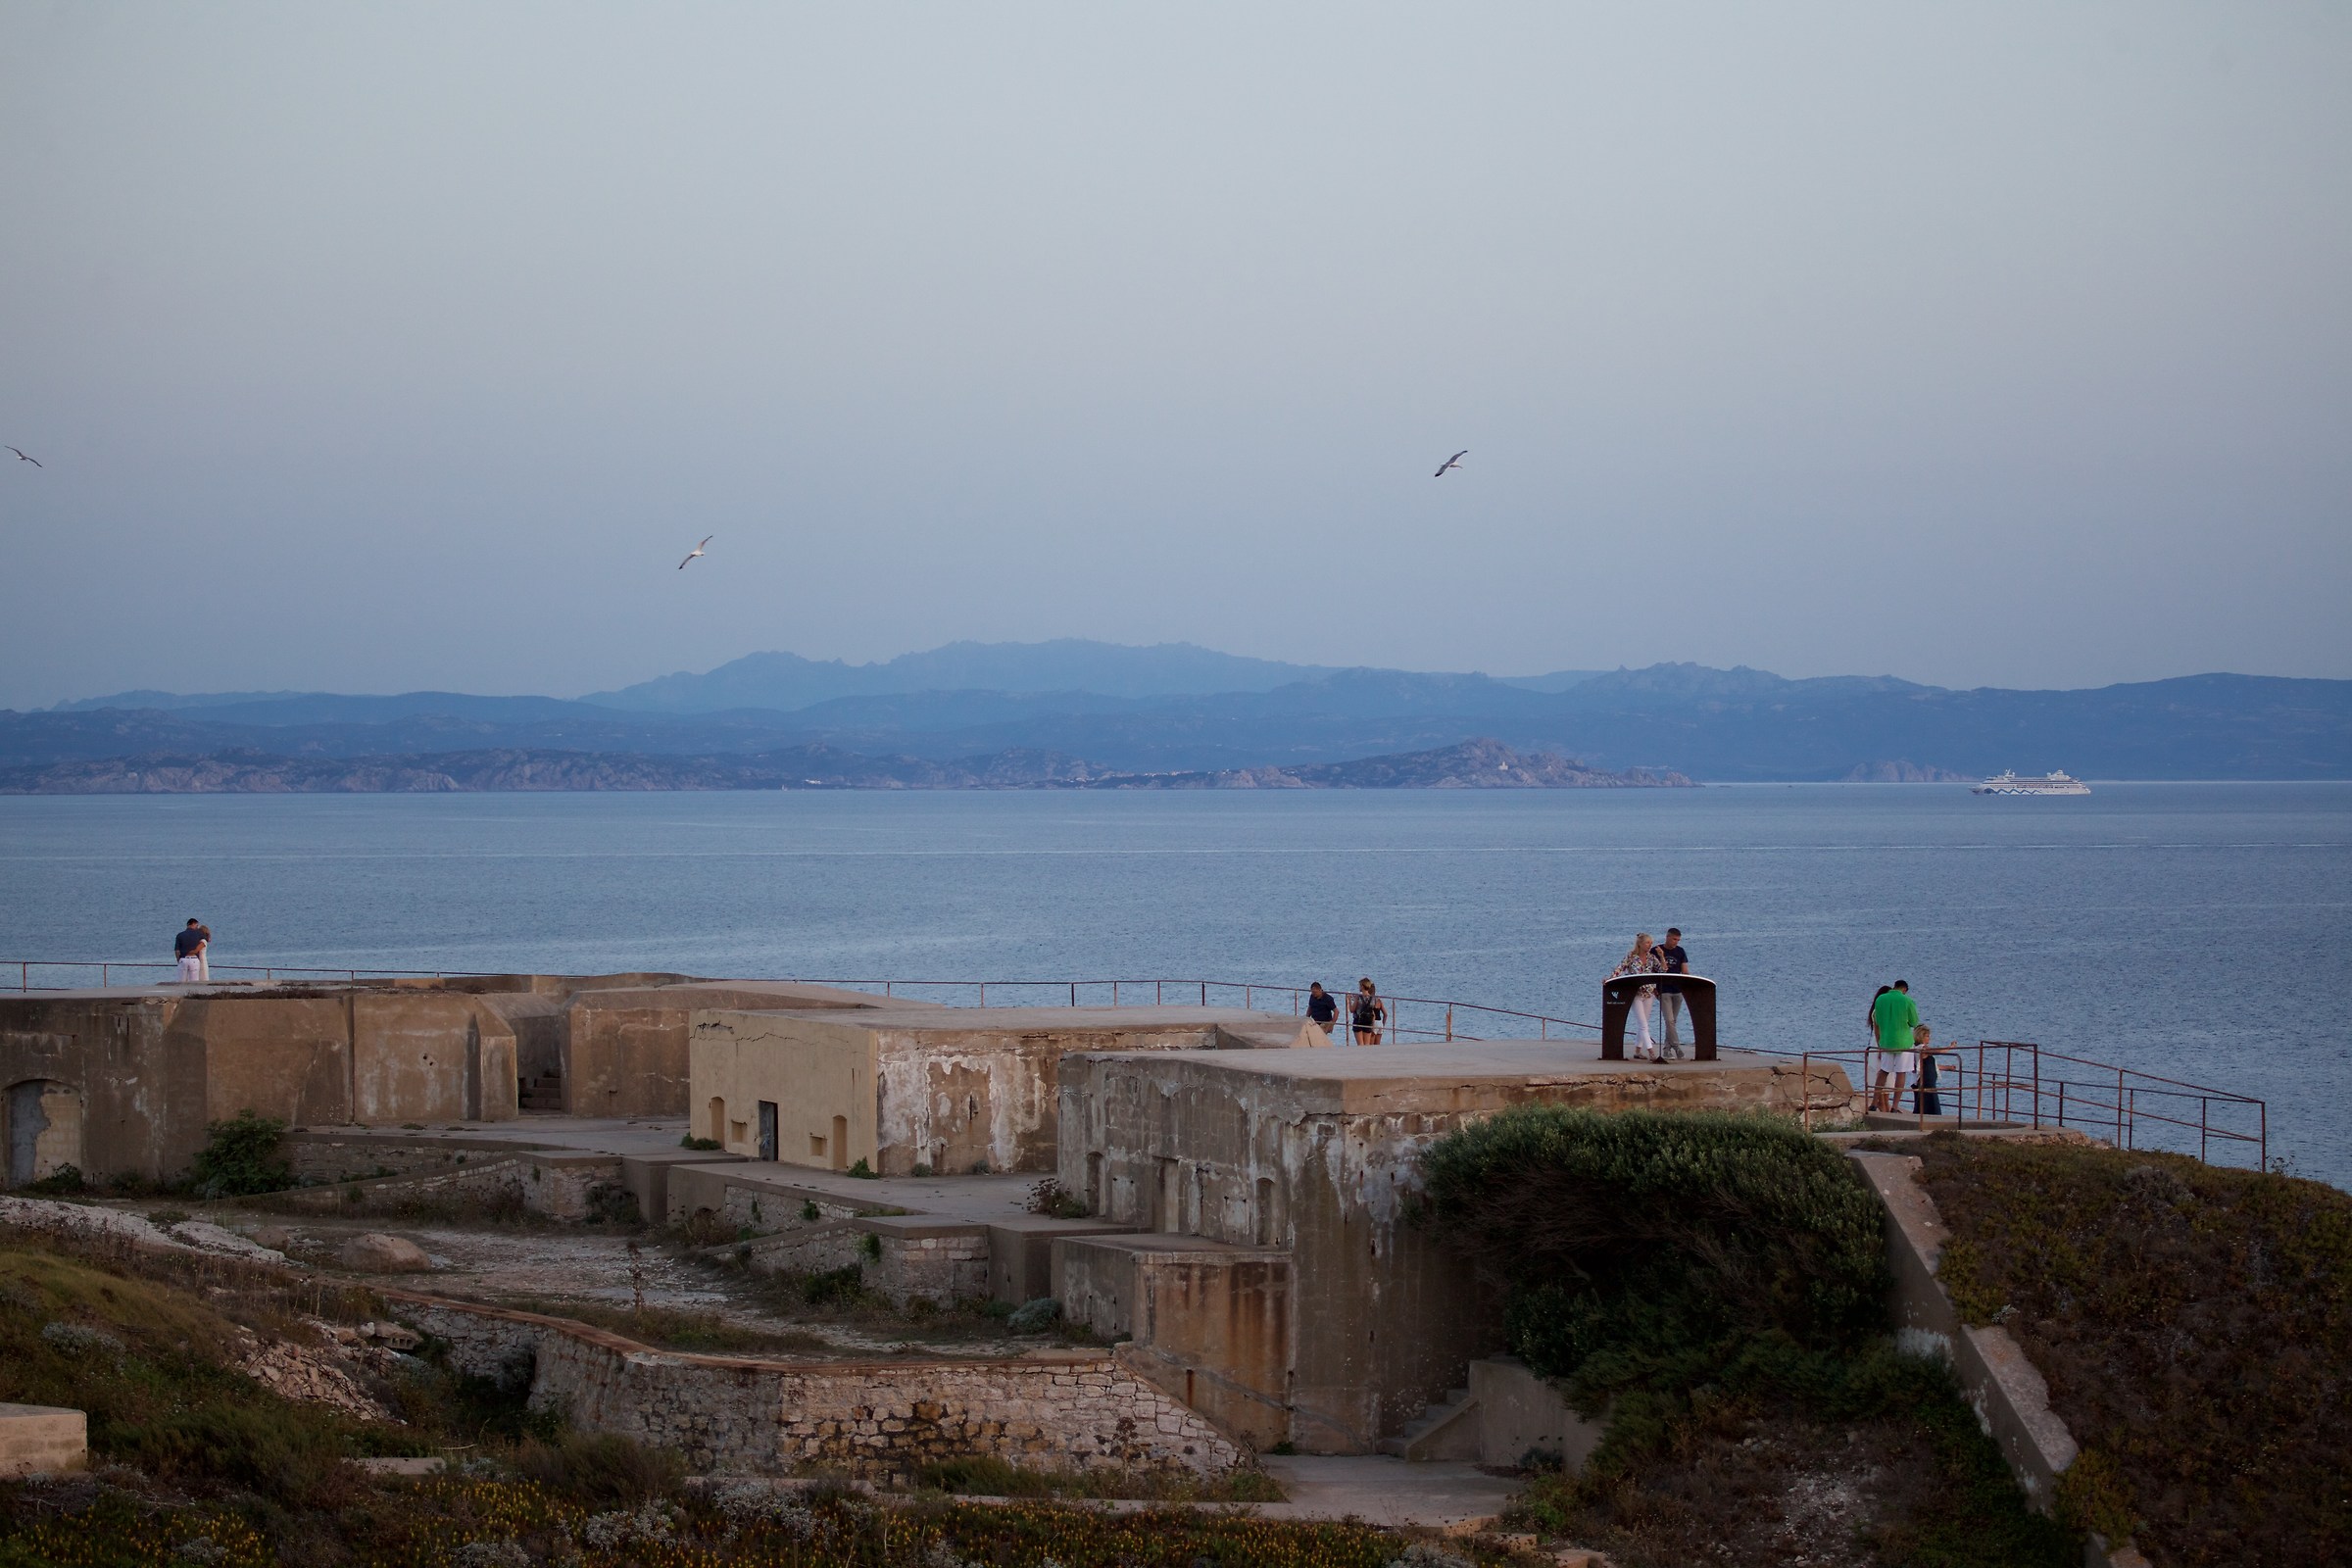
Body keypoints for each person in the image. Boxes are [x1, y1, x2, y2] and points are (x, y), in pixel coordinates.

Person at [1871, 980, 1921, 1113]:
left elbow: (1878, 1020)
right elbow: (1914, 1022)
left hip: (1886, 1041)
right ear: (1904, 989)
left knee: (1883, 1071)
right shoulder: (1907, 1001)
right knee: (1901, 1073)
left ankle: (1873, 1103)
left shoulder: (1881, 999)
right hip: (1903, 1042)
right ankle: (1895, 1106)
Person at [1611, 933, 1662, 1061]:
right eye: (1647, 943)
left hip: (1648, 993)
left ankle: (1637, 1050)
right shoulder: (1631, 957)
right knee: (1643, 1024)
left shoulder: (1651, 958)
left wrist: (1661, 956)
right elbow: (1620, 968)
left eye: (1651, 943)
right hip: (1636, 994)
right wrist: (1610, 979)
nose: (1649, 945)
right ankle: (1651, 1052)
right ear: (1640, 944)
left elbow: (1662, 970)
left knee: (1643, 1023)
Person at [1652, 928, 1690, 1057]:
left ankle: (1667, 1050)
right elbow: (1650, 971)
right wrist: (1653, 988)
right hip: (1664, 990)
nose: (1676, 942)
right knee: (1669, 1020)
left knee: (1673, 1021)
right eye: (1674, 939)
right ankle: (1677, 1047)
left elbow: (1685, 971)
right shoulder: (1656, 951)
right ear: (1667, 937)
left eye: (1678, 940)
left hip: (1678, 990)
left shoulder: (1680, 951)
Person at [1348, 978, 1386, 1045]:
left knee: (1360, 1044)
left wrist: (1348, 1001)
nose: (1359, 987)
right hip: (1368, 1022)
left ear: (1362, 986)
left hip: (1358, 1021)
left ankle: (1361, 1055)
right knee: (1367, 1045)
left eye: (1360, 985)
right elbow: (1373, 1013)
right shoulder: (1373, 998)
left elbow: (1352, 1010)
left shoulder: (1358, 997)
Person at [173, 918, 208, 983]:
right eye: (197, 926)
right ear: (193, 924)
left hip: (183, 958)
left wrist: (178, 960)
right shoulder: (198, 934)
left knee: (181, 981)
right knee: (194, 981)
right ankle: (192, 992)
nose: (197, 928)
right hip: (194, 959)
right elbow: (207, 939)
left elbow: (177, 950)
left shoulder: (180, 935)